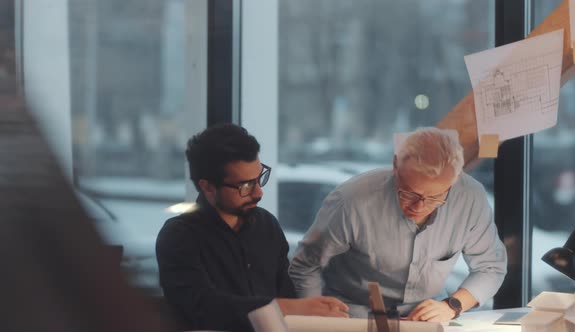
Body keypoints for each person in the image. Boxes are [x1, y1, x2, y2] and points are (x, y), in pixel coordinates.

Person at [289, 127, 507, 322]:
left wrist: (452, 305)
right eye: (409, 193)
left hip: (425, 318)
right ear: (395, 165)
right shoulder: (352, 200)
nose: (419, 206)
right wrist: (315, 320)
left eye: (435, 197)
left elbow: (491, 267)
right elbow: (305, 266)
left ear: (456, 177)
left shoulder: (470, 198)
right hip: (353, 316)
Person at [156, 123, 348, 332]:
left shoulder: (267, 226)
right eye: (245, 186)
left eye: (259, 178)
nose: (258, 193)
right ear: (208, 186)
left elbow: (286, 295)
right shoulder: (179, 237)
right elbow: (201, 307)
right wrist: (284, 308)